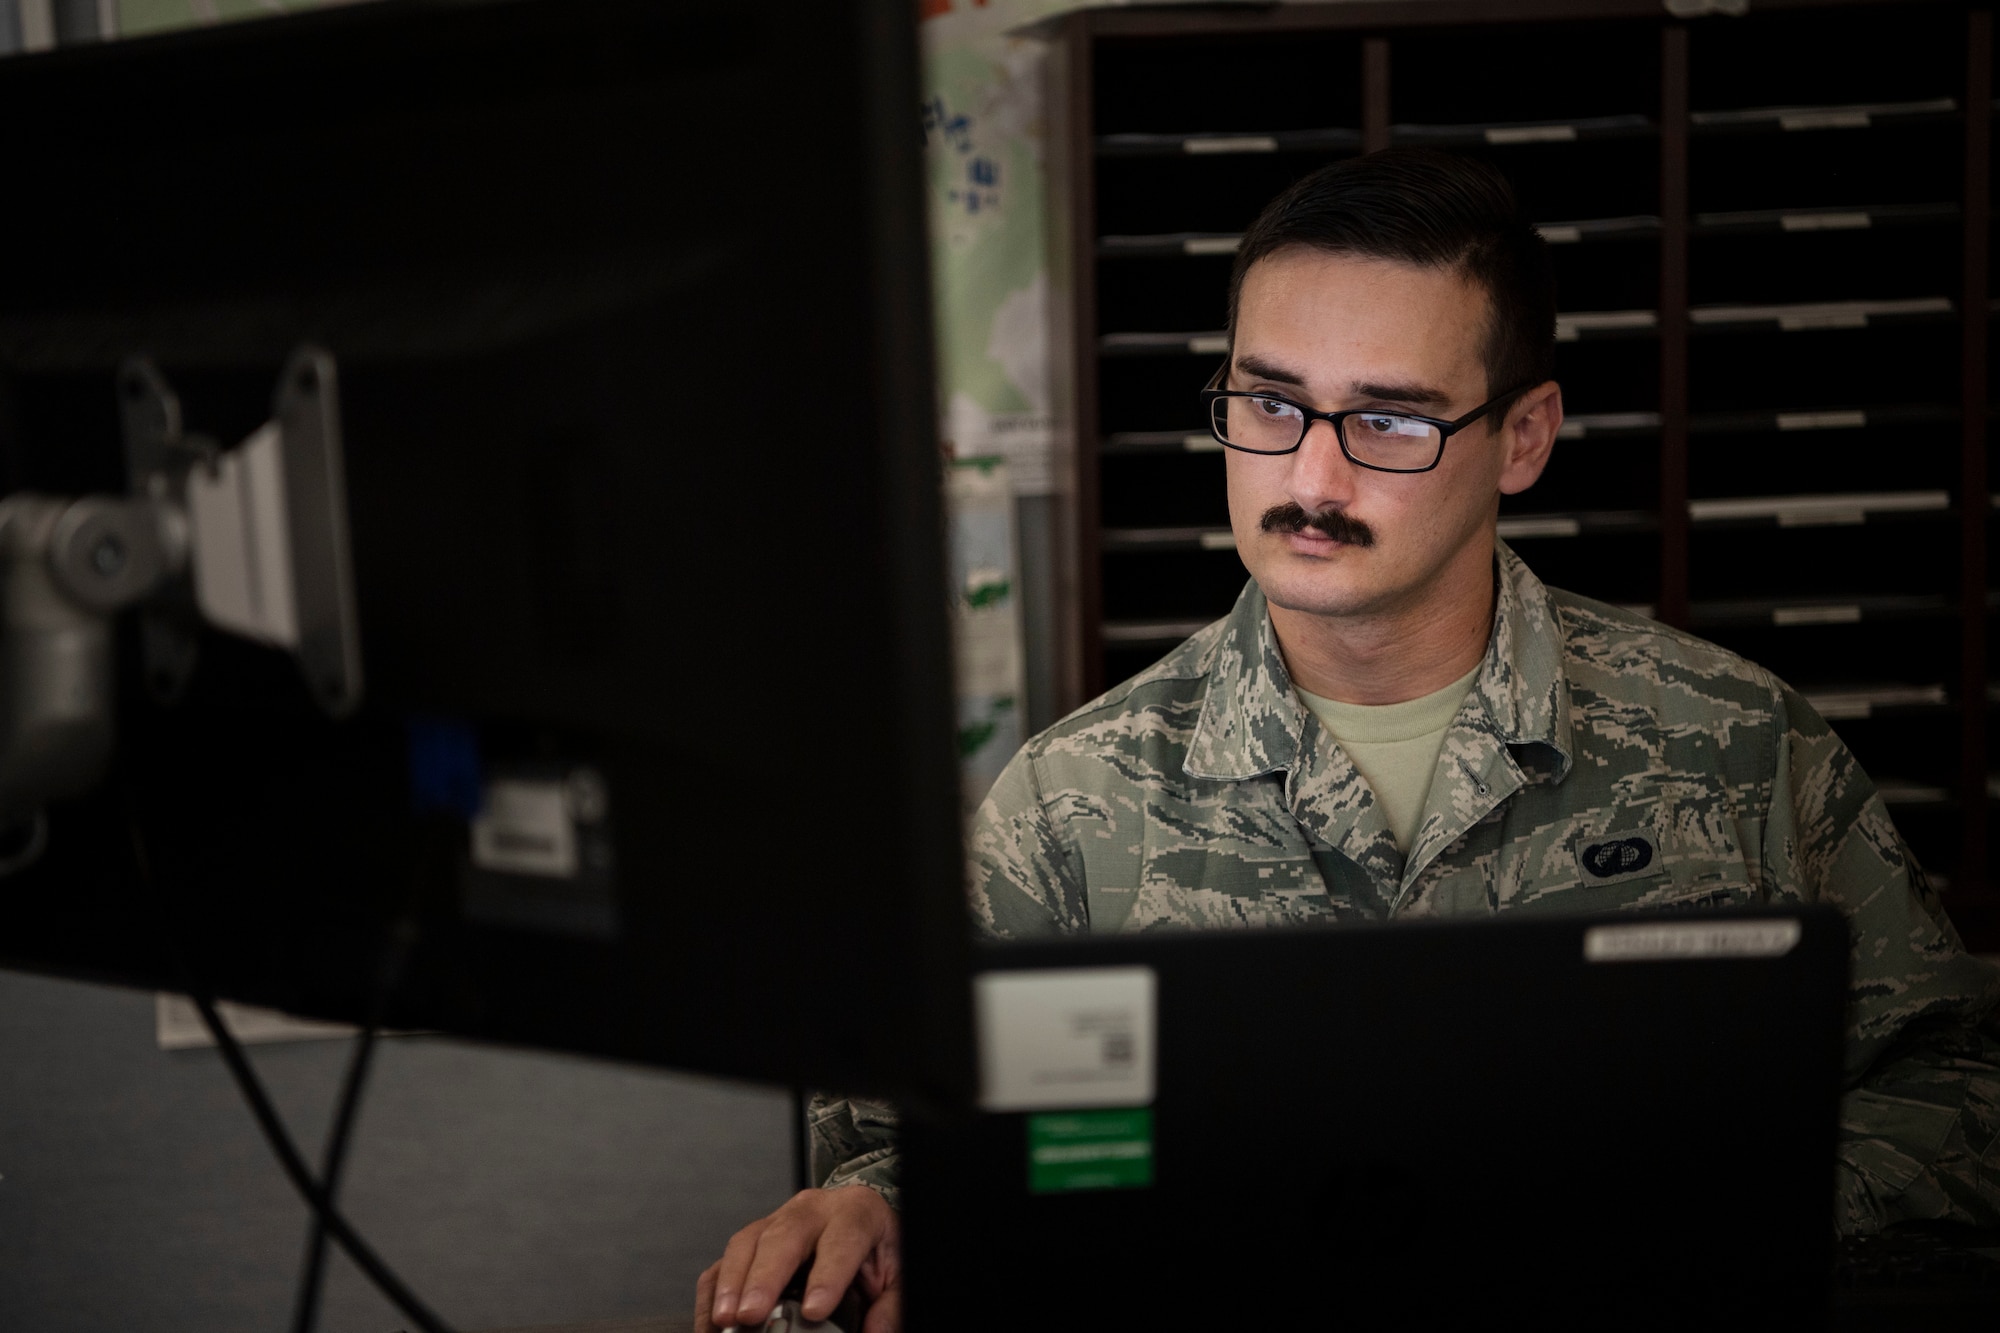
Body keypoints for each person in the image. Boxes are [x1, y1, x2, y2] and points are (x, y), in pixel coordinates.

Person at [695, 148, 2000, 1333]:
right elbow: (895, 1141)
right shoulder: (1069, 799)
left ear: (1523, 438)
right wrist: (872, 1210)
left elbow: (1963, 1087)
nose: (1311, 480)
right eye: (1268, 403)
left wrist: (1674, 1208)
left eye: (1389, 420)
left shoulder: (1733, 744)